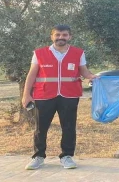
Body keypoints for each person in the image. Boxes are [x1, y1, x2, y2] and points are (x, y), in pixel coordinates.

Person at [22, 24, 97, 170]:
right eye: (57, 35)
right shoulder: (39, 53)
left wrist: (92, 77)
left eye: (64, 35)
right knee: (40, 128)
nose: (60, 38)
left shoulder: (78, 53)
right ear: (52, 36)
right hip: (43, 95)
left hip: (69, 95)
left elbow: (84, 72)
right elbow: (31, 74)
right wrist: (26, 94)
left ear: (70, 37)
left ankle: (67, 156)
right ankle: (38, 156)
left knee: (68, 127)